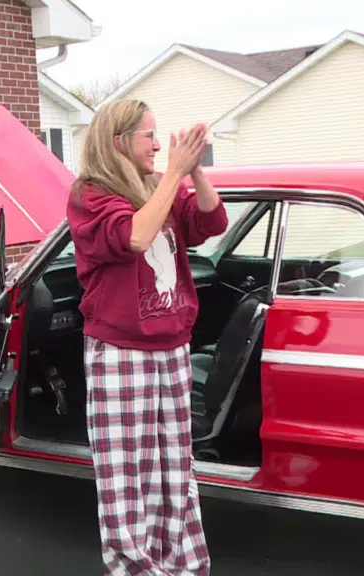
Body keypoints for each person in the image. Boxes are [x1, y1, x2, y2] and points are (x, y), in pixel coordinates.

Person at [67, 99, 228, 575]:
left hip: (170, 346)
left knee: (174, 470)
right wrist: (173, 173)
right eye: (148, 136)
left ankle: (179, 562)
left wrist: (193, 172)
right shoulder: (91, 195)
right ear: (118, 142)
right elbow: (134, 236)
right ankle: (133, 568)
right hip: (120, 353)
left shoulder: (156, 185)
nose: (159, 145)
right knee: (125, 476)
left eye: (160, 137)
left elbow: (212, 221)